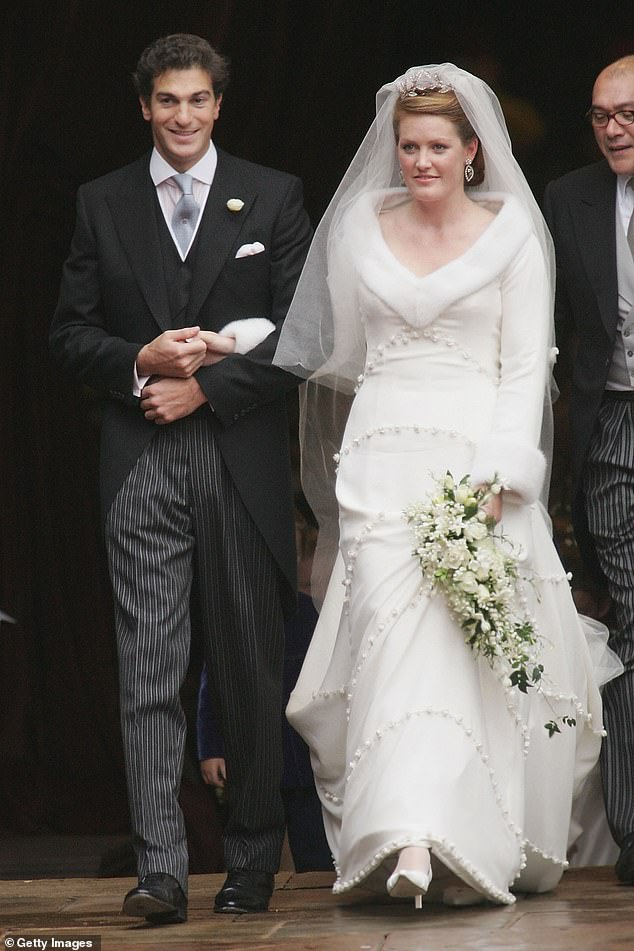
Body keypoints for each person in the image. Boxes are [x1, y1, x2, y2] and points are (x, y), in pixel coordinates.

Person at [273, 63, 622, 909]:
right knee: (391, 644)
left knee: (462, 654)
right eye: (408, 147)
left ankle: (448, 833)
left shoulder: (513, 237)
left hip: (478, 463)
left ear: (472, 152)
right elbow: (348, 356)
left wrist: (505, 472)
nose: (420, 161)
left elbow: (520, 368)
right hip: (384, 460)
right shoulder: (359, 225)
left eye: (437, 147)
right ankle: (403, 832)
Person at [49, 33, 312, 922]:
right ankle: (161, 868)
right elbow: (68, 334)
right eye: (168, 102)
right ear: (145, 107)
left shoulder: (273, 196)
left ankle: (249, 864)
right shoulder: (102, 201)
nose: (184, 116)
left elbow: (304, 334)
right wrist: (137, 360)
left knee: (245, 667)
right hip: (139, 466)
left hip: (236, 456)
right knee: (149, 671)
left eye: (198, 100)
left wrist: (203, 387)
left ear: (218, 104)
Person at [543, 54, 634, 885]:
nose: (613, 128)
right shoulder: (568, 198)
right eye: (602, 115)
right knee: (630, 620)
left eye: (628, 113)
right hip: (613, 426)